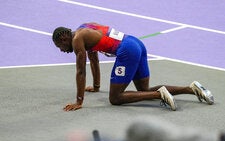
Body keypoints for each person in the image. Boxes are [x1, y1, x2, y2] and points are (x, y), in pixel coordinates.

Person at [52, 22, 214, 111]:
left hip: (127, 51)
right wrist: (96, 87)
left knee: (115, 98)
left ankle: (160, 96)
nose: (61, 50)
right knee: (144, 88)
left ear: (64, 39)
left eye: (59, 46)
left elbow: (81, 71)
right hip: (136, 43)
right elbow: (94, 60)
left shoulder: (76, 40)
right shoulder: (84, 28)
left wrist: (79, 101)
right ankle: (192, 89)